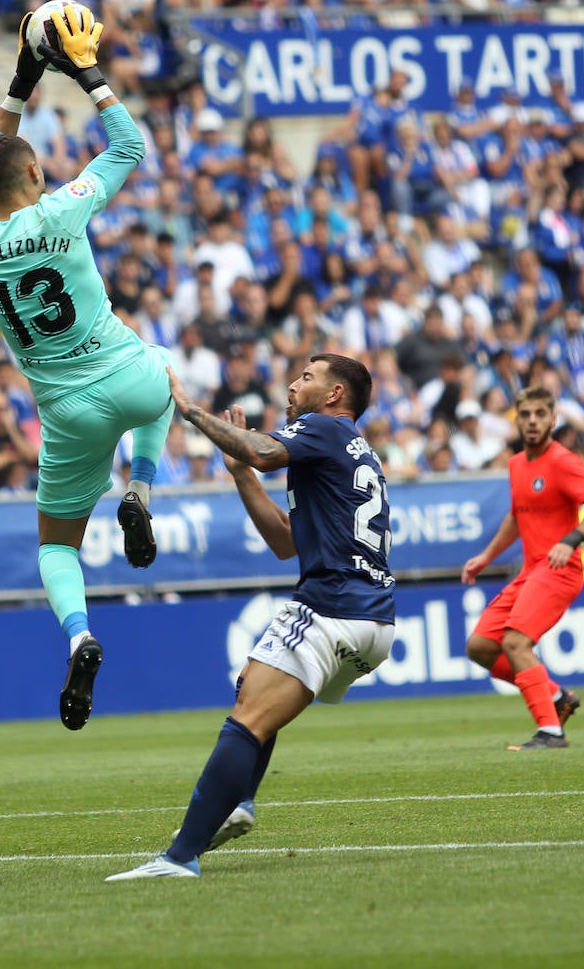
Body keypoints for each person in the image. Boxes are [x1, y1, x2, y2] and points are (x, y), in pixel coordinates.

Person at [0, 5, 174, 731]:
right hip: (128, 379)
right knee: (164, 369)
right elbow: (129, 145)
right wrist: (84, 71)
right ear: (36, 170)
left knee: (56, 545)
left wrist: (21, 81)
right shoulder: (61, 211)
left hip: (67, 411)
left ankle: (80, 637)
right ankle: (141, 488)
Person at [107, 353, 395, 881]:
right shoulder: (354, 449)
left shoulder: (323, 428)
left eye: (307, 377)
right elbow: (286, 542)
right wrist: (241, 474)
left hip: (332, 604)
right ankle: (237, 802)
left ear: (335, 395)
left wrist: (192, 412)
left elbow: (263, 451)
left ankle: (179, 857)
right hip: (373, 620)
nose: (292, 385)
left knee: (247, 719)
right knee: (252, 688)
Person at [461, 386, 584, 749]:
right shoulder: (516, 464)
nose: (532, 421)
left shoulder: (563, 461)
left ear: (553, 419)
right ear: (518, 419)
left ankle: (550, 731)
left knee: (515, 642)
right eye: (526, 415)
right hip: (531, 571)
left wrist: (571, 539)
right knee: (480, 647)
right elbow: (518, 515)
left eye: (540, 414)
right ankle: (557, 697)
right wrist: (487, 556)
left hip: (559, 570)